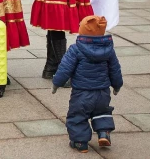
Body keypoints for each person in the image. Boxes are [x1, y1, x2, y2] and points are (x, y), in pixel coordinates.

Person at [51, 16, 123, 153]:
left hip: (82, 93)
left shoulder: (76, 49)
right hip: (103, 92)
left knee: (77, 116)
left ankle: (80, 142)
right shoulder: (109, 50)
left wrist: (56, 83)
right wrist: (117, 84)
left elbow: (65, 69)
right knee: (102, 112)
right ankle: (103, 133)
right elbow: (115, 69)